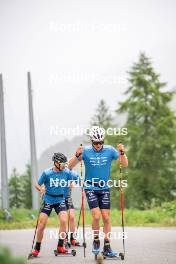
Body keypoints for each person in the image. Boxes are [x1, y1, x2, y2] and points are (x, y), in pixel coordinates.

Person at [69, 126, 128, 257]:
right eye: (95, 143)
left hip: (104, 187)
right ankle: (96, 240)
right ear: (91, 142)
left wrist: (122, 153)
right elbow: (69, 166)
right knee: (96, 216)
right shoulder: (85, 151)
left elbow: (124, 164)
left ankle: (107, 246)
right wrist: (77, 155)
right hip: (90, 187)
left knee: (106, 217)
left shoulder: (110, 150)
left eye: (100, 142)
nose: (98, 145)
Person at [31, 152, 78, 257]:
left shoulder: (66, 172)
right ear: (56, 163)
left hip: (60, 199)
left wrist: (72, 183)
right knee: (41, 224)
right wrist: (41, 188)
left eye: (64, 164)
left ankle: (60, 246)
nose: (64, 166)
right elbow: (37, 184)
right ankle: (37, 248)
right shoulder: (47, 173)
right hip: (48, 199)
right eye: (62, 164)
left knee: (64, 221)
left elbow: (72, 180)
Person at [64, 170, 81, 246]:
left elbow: (78, 178)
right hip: (58, 198)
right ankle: (65, 238)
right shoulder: (56, 172)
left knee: (72, 217)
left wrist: (74, 182)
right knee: (64, 219)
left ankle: (73, 238)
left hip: (67, 197)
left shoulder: (70, 173)